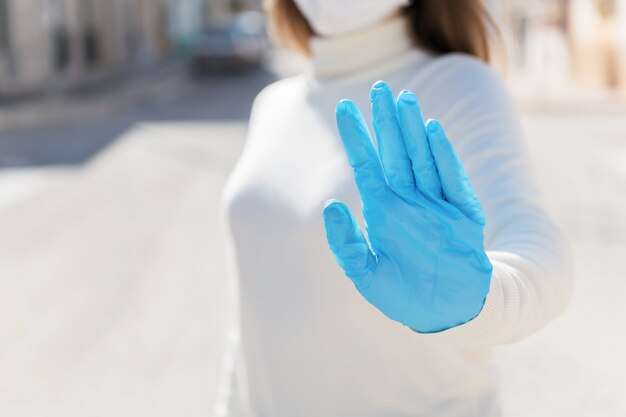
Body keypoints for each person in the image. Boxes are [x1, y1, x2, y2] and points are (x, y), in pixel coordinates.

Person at [216, 0, 575, 416]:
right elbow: (250, 329)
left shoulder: (457, 82)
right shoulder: (272, 105)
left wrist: (482, 298)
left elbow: (539, 248)